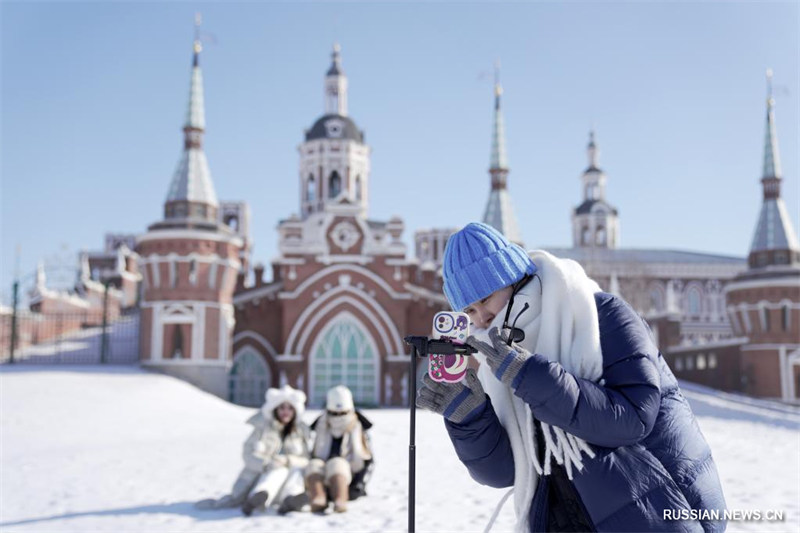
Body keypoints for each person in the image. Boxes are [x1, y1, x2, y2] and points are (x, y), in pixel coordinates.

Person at [417, 222, 727, 532]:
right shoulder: (499, 356)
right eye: (468, 311)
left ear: (512, 278)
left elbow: (634, 418)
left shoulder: (599, 314)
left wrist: (530, 376)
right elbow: (505, 473)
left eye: (485, 299)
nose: (481, 317)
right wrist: (469, 419)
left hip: (652, 512)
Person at [195, 384, 311, 516]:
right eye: (282, 407)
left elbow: (306, 459)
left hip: (286, 483)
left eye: (290, 408)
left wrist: (289, 460)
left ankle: (292, 499)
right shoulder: (262, 429)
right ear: (275, 409)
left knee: (294, 470)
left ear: (295, 412)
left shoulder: (300, 432)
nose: (286, 411)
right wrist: (266, 464)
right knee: (278, 469)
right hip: (261, 478)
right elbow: (248, 454)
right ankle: (259, 497)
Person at [303, 385, 374, 513]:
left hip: (348, 473)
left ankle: (340, 499)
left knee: (337, 464)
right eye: (334, 413)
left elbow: (365, 457)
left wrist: (359, 483)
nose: (338, 416)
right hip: (322, 467)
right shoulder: (321, 424)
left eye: (342, 413)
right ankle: (318, 497)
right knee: (313, 465)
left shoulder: (357, 426)